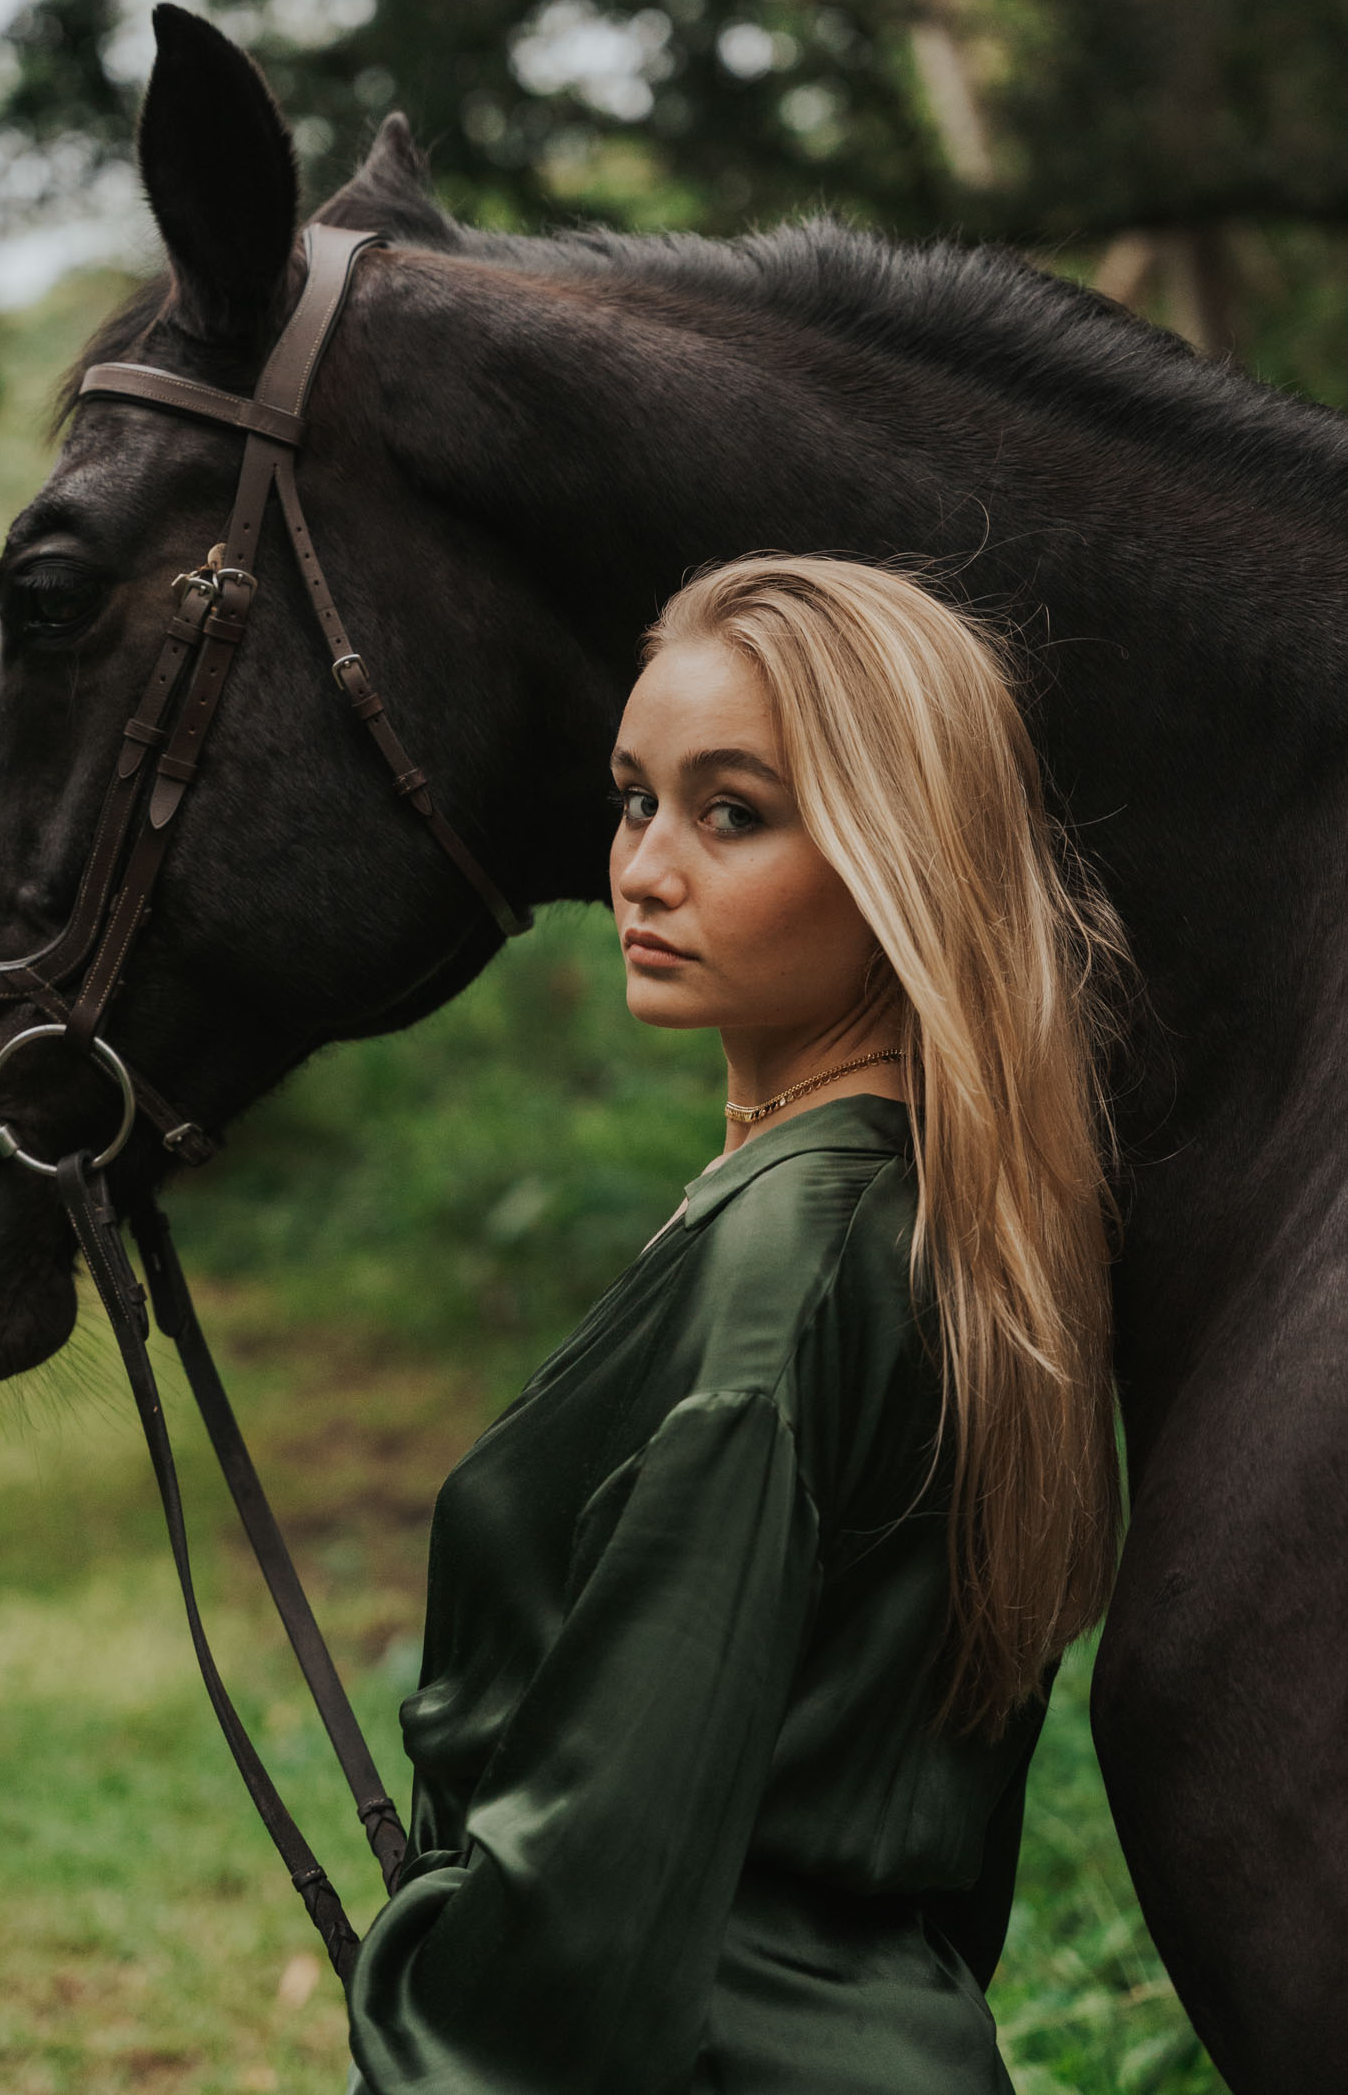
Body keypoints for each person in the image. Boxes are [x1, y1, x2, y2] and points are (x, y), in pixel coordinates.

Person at [345, 554, 1128, 2094]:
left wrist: (430, 2029)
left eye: (734, 813)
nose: (642, 868)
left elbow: (598, 1879)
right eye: (637, 799)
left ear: (899, 859)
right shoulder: (946, 1225)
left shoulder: (793, 1261)